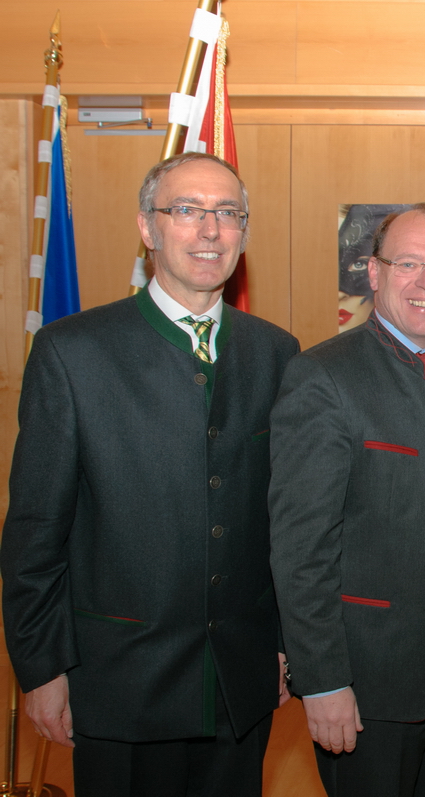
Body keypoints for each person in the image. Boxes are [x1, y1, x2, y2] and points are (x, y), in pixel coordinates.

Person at [1, 151, 298, 796]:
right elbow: (34, 532)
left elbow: (281, 521)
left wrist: (282, 644)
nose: (210, 230)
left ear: (244, 232)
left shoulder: (277, 352)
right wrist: (42, 668)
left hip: (239, 682)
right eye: (186, 210)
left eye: (227, 213)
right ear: (147, 227)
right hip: (117, 684)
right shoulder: (72, 352)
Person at [269, 205, 425, 797]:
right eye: (409, 263)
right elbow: (300, 548)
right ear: (373, 271)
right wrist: (321, 680)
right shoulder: (322, 376)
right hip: (364, 673)